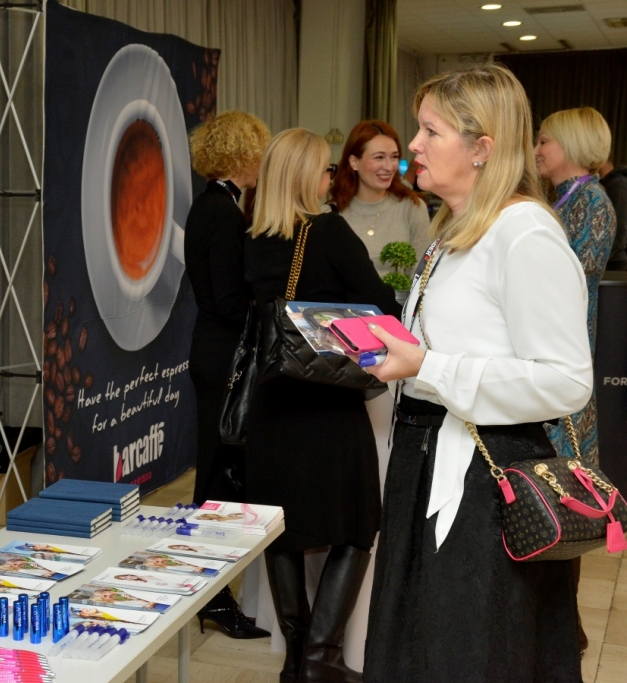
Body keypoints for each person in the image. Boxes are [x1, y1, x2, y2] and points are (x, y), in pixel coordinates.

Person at [362, 63, 592, 683]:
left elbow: (567, 380)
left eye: (430, 131)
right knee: (418, 645)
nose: (413, 145)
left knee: (469, 652)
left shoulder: (525, 234)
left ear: (482, 148)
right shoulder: (454, 228)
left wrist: (429, 364)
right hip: (426, 462)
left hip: (485, 481)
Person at [245, 128, 400, 683]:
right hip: (327, 403)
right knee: (358, 524)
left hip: (272, 404)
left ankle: (297, 657)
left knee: (282, 529)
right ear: (305, 175)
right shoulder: (329, 231)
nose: (330, 176)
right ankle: (320, 657)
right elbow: (380, 304)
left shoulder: (254, 239)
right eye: (324, 168)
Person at [184, 110, 271, 640]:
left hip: (215, 353)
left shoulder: (213, 206)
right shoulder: (220, 213)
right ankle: (212, 597)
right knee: (218, 478)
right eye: (258, 151)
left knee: (221, 473)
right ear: (242, 155)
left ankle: (213, 594)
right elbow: (226, 300)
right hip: (222, 359)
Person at [534, 105, 616, 656]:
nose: (536, 149)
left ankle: (566, 632)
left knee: (565, 500)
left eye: (544, 140)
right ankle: (554, 626)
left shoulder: (592, 203)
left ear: (571, 144)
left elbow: (564, 285)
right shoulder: (561, 201)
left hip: (565, 373)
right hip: (550, 366)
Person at [330, 120, 431, 275]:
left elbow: (421, 275)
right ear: (354, 162)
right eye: (379, 157)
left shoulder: (412, 208)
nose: (389, 167)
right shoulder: (332, 213)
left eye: (394, 157)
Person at [600, 160, 627, 270]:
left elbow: (620, 229)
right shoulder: (609, 183)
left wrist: (601, 258)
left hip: (614, 261)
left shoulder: (618, 183)